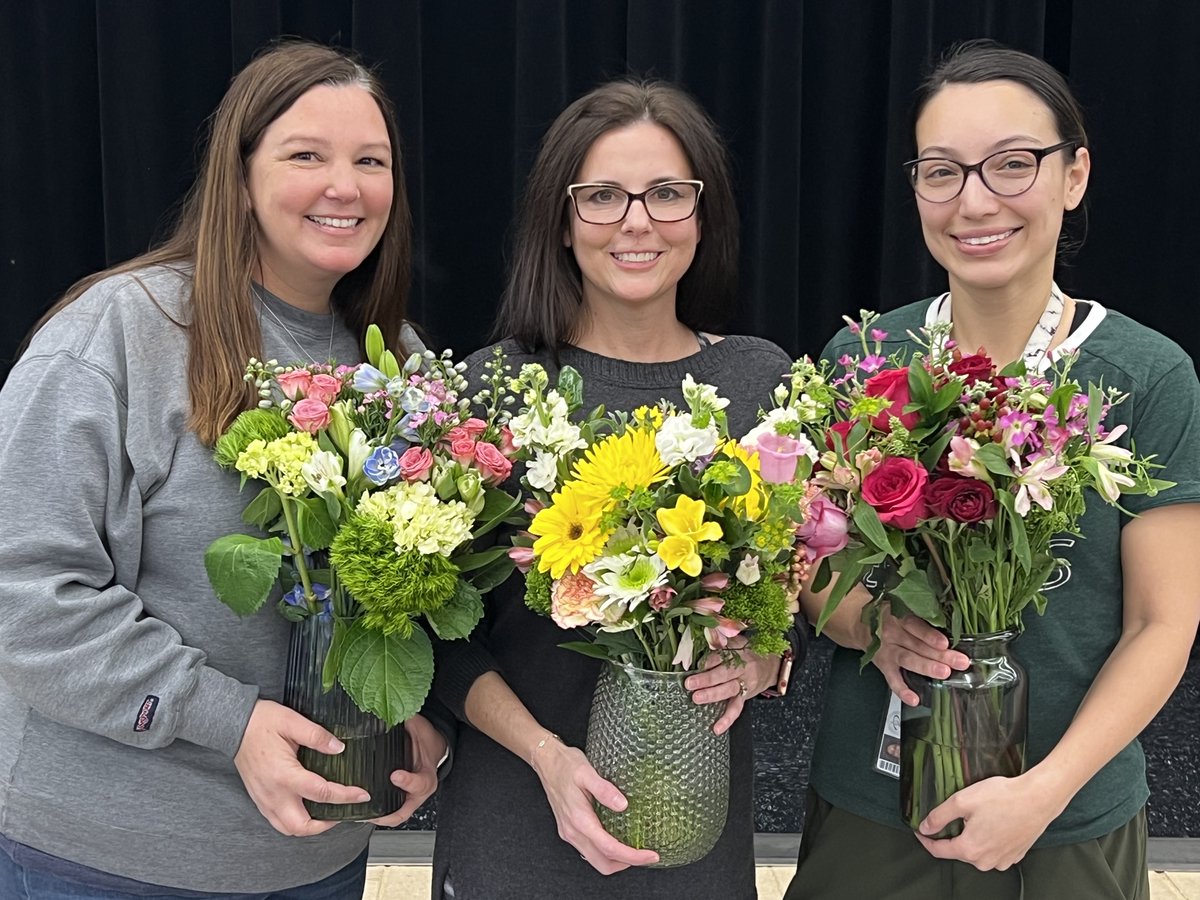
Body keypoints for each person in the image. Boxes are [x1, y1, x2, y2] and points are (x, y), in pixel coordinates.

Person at [0, 41, 451, 898]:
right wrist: (230, 722)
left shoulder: (399, 367)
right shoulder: (121, 334)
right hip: (109, 859)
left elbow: (403, 604)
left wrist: (417, 720)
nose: (344, 186)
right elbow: (22, 598)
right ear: (238, 176)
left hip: (315, 861)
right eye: (305, 156)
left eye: (371, 161)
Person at [787, 39, 1200, 900]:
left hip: (1067, 815)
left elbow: (1162, 622)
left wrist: (1046, 793)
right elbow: (816, 569)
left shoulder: (1144, 373)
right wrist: (871, 627)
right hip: (875, 802)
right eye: (942, 172)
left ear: (1074, 176)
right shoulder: (867, 360)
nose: (974, 201)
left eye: (1013, 165)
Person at [429, 78, 801, 899]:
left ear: (704, 216)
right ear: (562, 223)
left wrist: (768, 655)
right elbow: (443, 638)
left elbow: (791, 596)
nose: (637, 221)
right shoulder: (492, 390)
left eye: (668, 193)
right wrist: (545, 757)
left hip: (693, 846)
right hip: (515, 835)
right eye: (602, 196)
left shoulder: (758, 381)